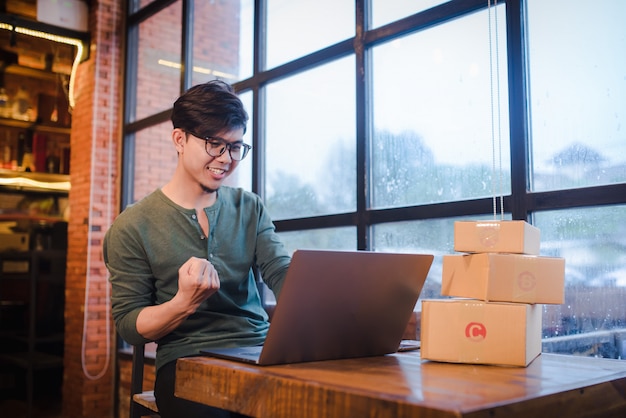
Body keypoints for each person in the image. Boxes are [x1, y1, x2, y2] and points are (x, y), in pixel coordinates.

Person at [103, 80, 291, 418]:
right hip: (186, 360)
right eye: (214, 144)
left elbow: (282, 272)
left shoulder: (249, 207)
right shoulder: (133, 226)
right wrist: (183, 303)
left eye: (235, 147)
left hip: (259, 350)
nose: (226, 159)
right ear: (180, 139)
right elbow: (129, 324)